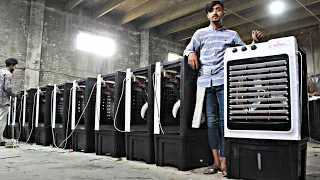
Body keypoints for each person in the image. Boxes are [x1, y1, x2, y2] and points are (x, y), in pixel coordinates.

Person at [184, 1, 263, 177]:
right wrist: (191, 52)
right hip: (205, 83)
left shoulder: (232, 35)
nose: (215, 13)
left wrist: (254, 42)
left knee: (225, 122)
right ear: (207, 15)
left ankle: (225, 161)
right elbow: (188, 48)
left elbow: (245, 51)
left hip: (223, 84)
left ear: (224, 13)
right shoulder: (200, 33)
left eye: (218, 10)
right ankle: (216, 163)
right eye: (211, 11)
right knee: (211, 123)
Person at [0, 58, 19, 146]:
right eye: (15, 66)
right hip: (3, 100)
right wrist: (14, 95)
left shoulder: (0, 71)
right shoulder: (8, 74)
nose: (15, 68)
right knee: (1, 120)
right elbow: (7, 87)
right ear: (11, 65)